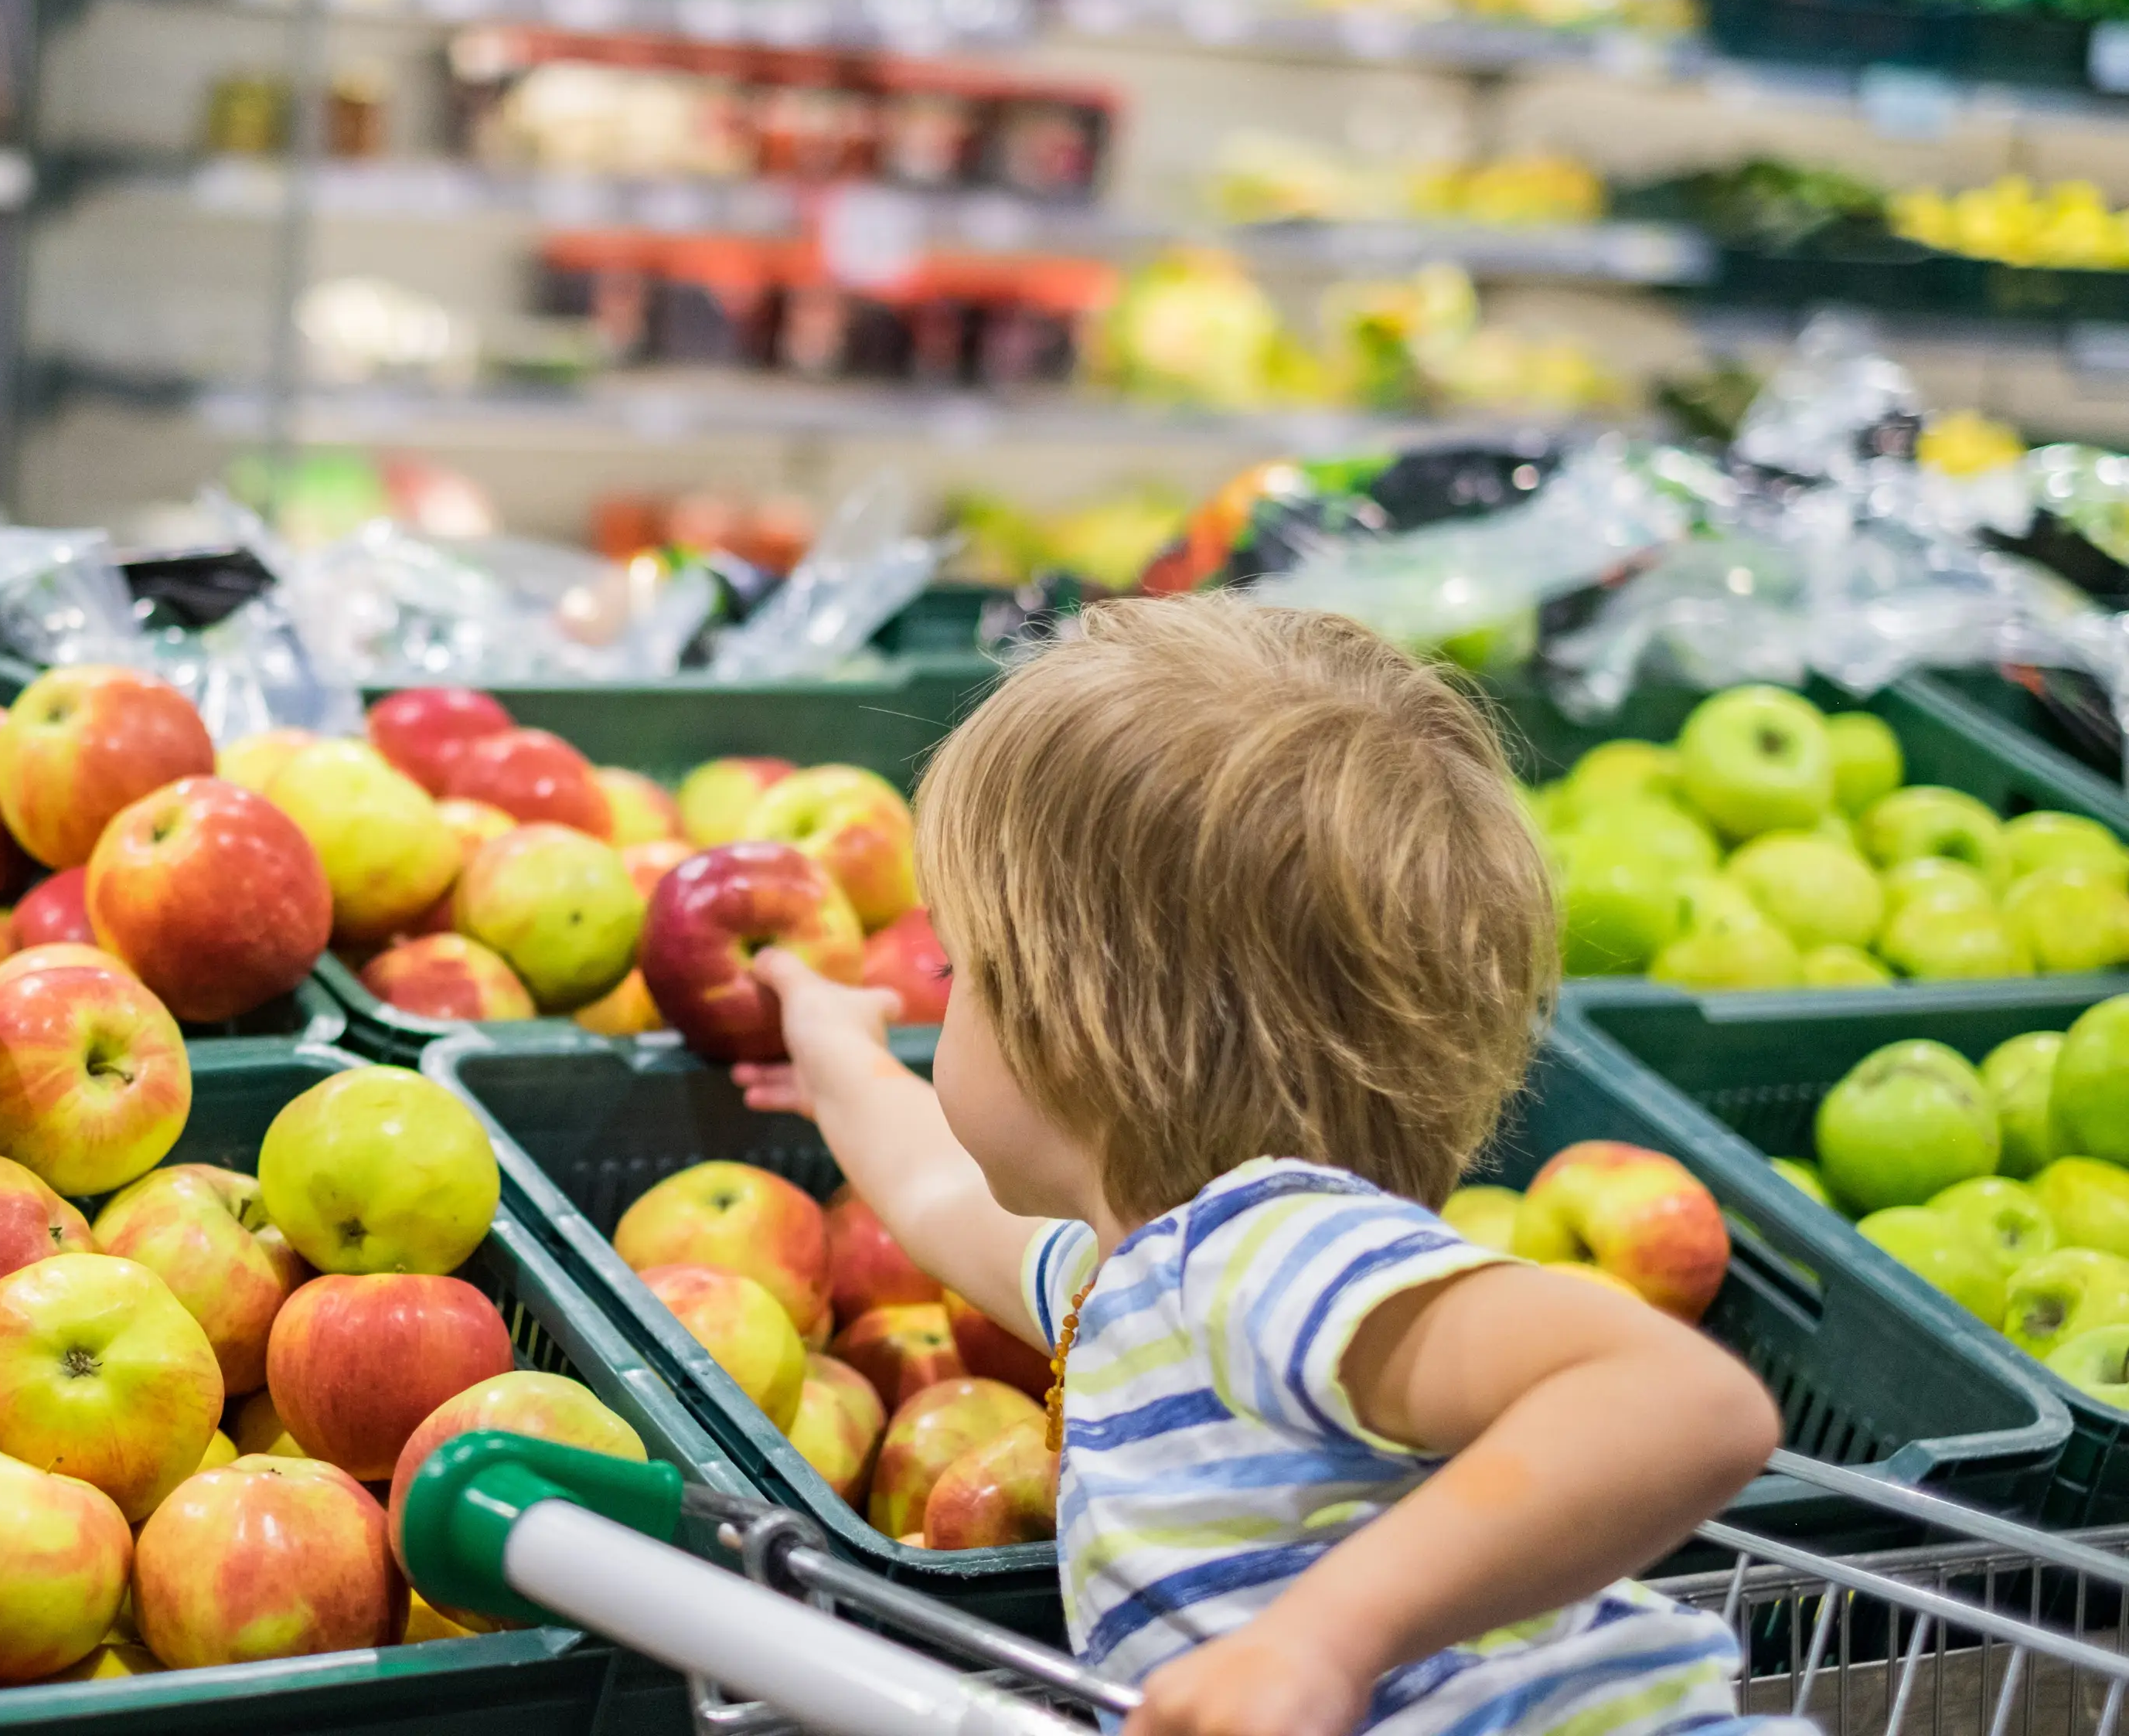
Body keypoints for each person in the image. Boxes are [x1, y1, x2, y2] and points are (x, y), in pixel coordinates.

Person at [734, 594, 1786, 1736]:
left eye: (956, 971)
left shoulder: (1265, 1254)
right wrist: (835, 1047)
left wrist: (1321, 1638)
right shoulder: (1136, 1285)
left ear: (1073, 1030)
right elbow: (936, 1193)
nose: (943, 1008)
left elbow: (1684, 1401)